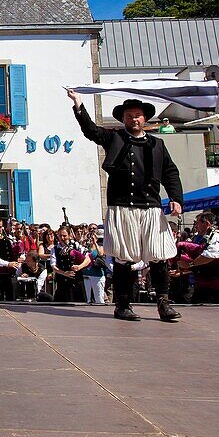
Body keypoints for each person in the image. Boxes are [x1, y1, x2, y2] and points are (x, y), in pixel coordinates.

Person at [68, 91, 183, 322]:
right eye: (129, 116)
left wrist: (176, 198)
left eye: (138, 115)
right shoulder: (115, 138)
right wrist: (78, 104)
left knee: (159, 256)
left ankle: (163, 302)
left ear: (145, 119)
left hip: (151, 206)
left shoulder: (157, 145)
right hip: (122, 207)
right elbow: (91, 130)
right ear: (123, 119)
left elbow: (170, 172)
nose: (134, 119)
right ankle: (122, 304)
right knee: (123, 257)